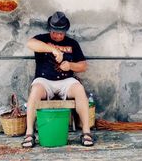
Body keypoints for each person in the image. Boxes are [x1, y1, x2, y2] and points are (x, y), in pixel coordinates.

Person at [21, 11, 94, 148]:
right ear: (50, 29)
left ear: (65, 31)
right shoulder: (41, 39)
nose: (58, 35)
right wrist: (54, 50)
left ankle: (86, 132)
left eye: (61, 33)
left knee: (79, 89)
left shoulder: (72, 43)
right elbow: (30, 43)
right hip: (44, 80)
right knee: (35, 91)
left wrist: (70, 65)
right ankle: (29, 133)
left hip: (66, 81)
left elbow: (83, 66)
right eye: (55, 32)